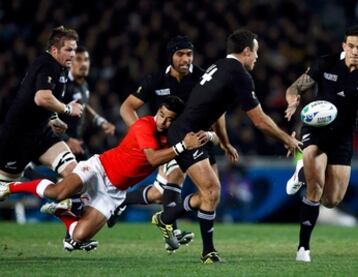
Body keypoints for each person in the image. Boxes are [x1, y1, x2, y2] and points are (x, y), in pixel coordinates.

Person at [152, 29, 302, 264]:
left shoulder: (220, 66)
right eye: (256, 53)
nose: (257, 58)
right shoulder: (239, 74)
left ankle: (167, 216)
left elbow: (217, 110)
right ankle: (208, 253)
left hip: (197, 133)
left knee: (212, 194)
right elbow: (259, 120)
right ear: (246, 51)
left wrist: (225, 142)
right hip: (187, 135)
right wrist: (287, 139)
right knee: (210, 191)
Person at [0, 96, 208, 251]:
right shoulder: (145, 124)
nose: (162, 121)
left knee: (77, 238)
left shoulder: (172, 137)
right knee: (57, 192)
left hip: (114, 192)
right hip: (99, 168)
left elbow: (197, 141)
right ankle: (10, 186)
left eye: (169, 119)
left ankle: (63, 213)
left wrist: (208, 137)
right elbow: (153, 158)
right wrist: (183, 146)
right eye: (161, 114)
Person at [110, 36, 237, 252]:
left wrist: (223, 141)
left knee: (198, 194)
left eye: (189, 54)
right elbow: (127, 108)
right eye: (180, 54)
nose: (186, 59)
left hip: (200, 139)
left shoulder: (201, 77)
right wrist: (143, 134)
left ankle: (126, 202)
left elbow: (218, 112)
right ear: (170, 56)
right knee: (189, 184)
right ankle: (178, 231)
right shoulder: (156, 79)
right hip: (173, 143)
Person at [284, 25, 358, 262]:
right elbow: (295, 87)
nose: (355, 51)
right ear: (344, 46)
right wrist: (292, 100)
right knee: (314, 187)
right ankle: (303, 249)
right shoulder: (326, 63)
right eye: (351, 46)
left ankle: (303, 171)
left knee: (331, 200)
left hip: (343, 137)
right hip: (315, 129)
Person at [0, 26, 83, 182]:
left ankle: (63, 206)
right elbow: (42, 98)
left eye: (74, 50)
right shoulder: (47, 64)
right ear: (54, 50)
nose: (73, 54)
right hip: (18, 137)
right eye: (68, 50)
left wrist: (53, 117)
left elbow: (40, 100)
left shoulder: (61, 67)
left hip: (41, 133)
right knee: (5, 187)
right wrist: (68, 109)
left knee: (74, 172)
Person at [59, 46, 115, 160]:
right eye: (78, 59)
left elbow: (84, 106)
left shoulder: (84, 85)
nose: (83, 64)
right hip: (59, 142)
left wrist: (101, 121)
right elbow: (48, 116)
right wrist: (66, 139)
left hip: (76, 141)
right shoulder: (62, 85)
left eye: (86, 60)